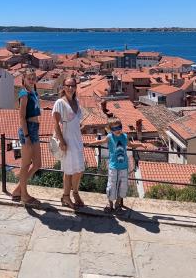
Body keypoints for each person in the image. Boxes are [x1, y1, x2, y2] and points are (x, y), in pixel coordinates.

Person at [86, 118, 140, 213]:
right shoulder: (110, 137)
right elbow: (100, 142)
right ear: (111, 129)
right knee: (111, 186)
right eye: (115, 128)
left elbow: (131, 145)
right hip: (113, 167)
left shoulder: (124, 136)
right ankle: (110, 205)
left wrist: (141, 145)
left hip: (124, 167)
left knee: (122, 186)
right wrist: (90, 143)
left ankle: (117, 204)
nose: (118, 130)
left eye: (119, 127)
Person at [10, 68, 42, 206]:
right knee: (26, 164)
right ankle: (24, 195)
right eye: (29, 78)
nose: (31, 80)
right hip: (27, 130)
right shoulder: (24, 94)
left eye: (33, 78)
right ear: (23, 79)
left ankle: (18, 189)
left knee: (37, 164)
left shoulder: (33, 92)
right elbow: (22, 117)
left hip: (34, 129)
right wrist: (27, 135)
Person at [52, 77, 85, 209]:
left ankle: (75, 193)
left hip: (77, 141)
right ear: (63, 87)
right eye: (68, 85)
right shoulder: (60, 102)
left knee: (79, 170)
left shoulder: (76, 102)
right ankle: (66, 196)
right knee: (68, 171)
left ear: (76, 87)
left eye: (72, 86)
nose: (70, 88)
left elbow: (78, 122)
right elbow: (56, 124)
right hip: (67, 141)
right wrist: (62, 141)